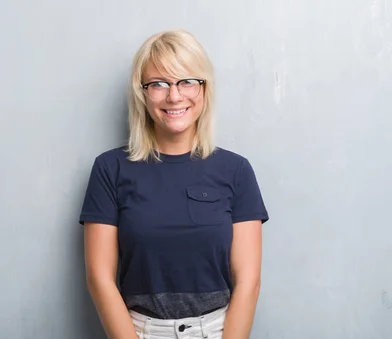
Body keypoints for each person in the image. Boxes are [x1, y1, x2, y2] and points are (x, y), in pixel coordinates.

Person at [78, 29, 269, 339]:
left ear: (205, 89)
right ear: (142, 93)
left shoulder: (236, 170)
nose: (174, 95)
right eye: (158, 84)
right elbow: (99, 278)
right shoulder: (109, 169)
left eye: (187, 81)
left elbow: (249, 280)